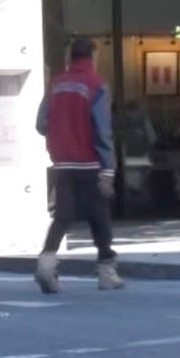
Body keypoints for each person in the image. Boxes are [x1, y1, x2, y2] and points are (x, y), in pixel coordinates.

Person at [34, 36, 121, 294]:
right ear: (92, 57)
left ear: (71, 57)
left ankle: (46, 263)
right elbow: (101, 129)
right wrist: (108, 168)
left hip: (62, 163)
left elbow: (41, 124)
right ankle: (107, 271)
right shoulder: (96, 85)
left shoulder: (57, 84)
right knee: (100, 217)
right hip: (90, 162)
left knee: (62, 217)